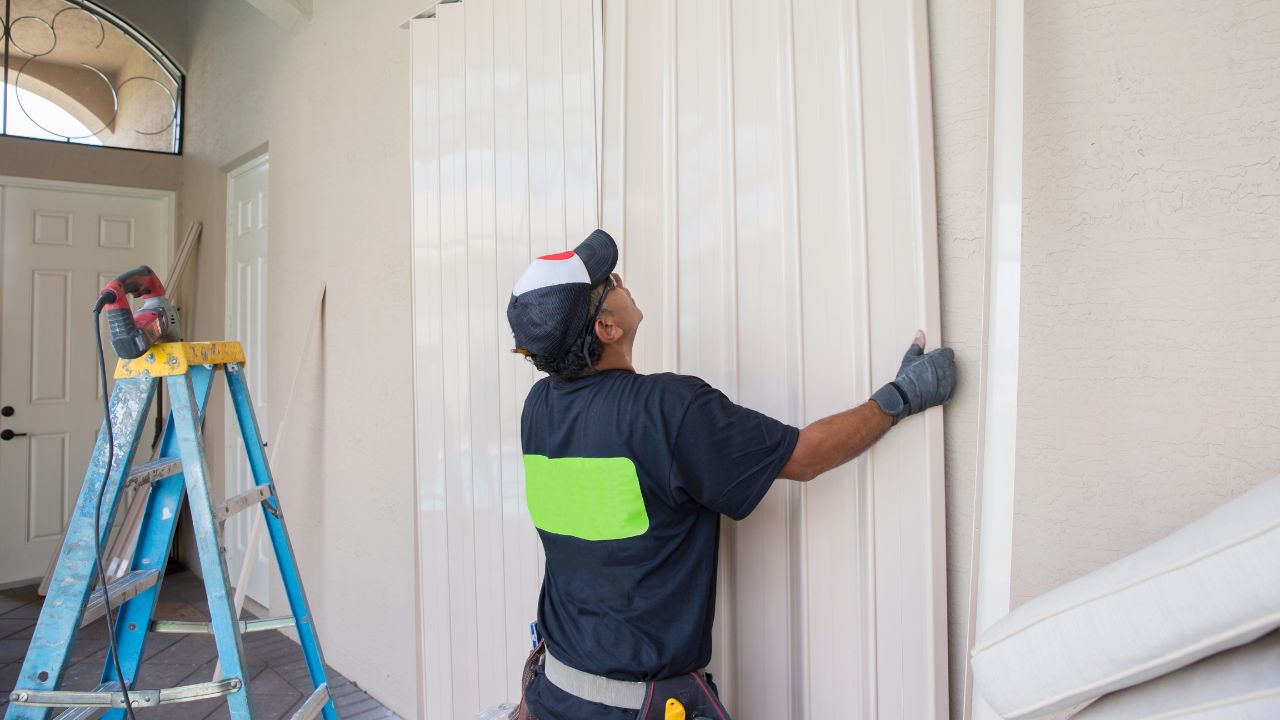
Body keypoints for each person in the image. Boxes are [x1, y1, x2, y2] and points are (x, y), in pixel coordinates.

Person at [505, 230, 956, 720]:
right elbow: (804, 456)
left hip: (555, 694)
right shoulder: (667, 410)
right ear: (607, 328)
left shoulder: (538, 409)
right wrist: (901, 397)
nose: (618, 278)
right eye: (607, 281)